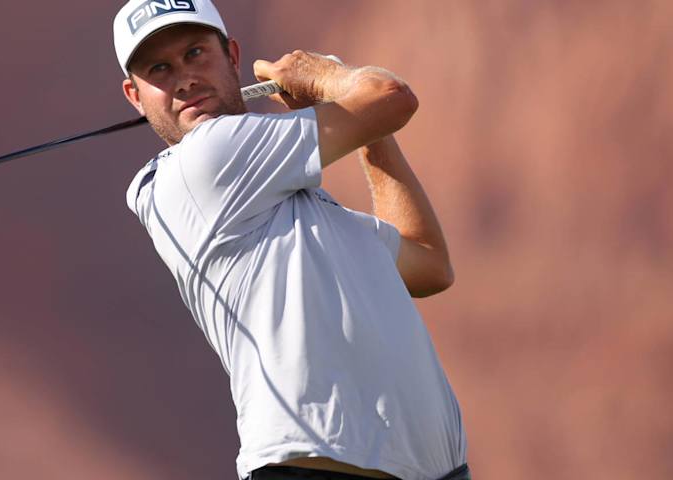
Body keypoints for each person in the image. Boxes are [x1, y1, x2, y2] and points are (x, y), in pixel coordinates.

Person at [114, 1, 469, 479]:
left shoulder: (302, 208)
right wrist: (323, 76)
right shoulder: (208, 159)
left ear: (232, 57)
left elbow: (428, 265)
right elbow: (391, 96)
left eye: (196, 53)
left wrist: (370, 134)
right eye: (160, 68)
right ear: (135, 96)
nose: (184, 79)